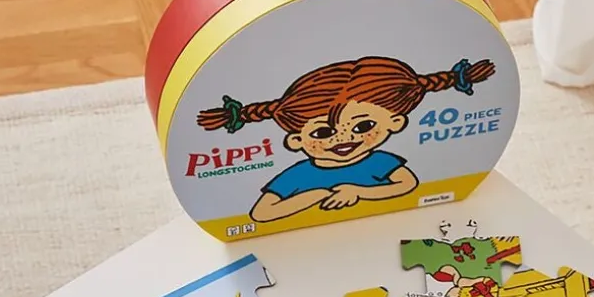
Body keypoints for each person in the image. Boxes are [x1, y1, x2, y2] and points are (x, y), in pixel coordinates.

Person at [196, 54, 496, 225]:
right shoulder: (298, 175)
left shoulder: (381, 161)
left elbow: (407, 185)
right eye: (322, 133)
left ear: (395, 123)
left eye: (364, 126)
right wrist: (314, 196)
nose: (344, 138)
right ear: (296, 140)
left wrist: (359, 192)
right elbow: (261, 214)